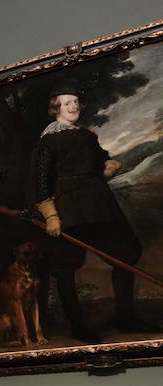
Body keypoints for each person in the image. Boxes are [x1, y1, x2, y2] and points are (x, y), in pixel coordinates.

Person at [28, 83, 153, 341]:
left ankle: (126, 318)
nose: (73, 107)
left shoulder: (87, 136)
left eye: (75, 102)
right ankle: (78, 326)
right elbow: (40, 183)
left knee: (126, 252)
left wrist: (108, 167)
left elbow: (100, 163)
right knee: (66, 265)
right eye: (66, 103)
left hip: (99, 203)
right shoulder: (47, 142)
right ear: (55, 109)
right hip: (69, 209)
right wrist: (51, 215)